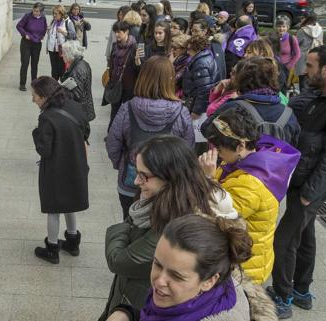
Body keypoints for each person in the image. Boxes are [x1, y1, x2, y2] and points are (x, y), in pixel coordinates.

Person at [100, 136, 234, 320]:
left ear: (170, 176)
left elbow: (120, 260)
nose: (136, 182)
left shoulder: (175, 226)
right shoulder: (158, 202)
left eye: (143, 175)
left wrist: (123, 226)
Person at [268, 45, 326, 318]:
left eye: (311, 66)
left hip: (310, 188)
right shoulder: (319, 96)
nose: (305, 71)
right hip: (302, 182)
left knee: (284, 241)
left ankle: (282, 297)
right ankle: (301, 290)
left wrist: (309, 193)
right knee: (304, 237)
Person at [105, 214, 279, 321]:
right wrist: (126, 313)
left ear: (210, 281)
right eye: (157, 264)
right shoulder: (210, 291)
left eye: (176, 276)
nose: (159, 281)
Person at [200, 107, 301, 284]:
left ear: (240, 145)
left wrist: (207, 178)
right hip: (248, 256)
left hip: (244, 269)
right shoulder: (249, 159)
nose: (217, 152)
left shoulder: (251, 182)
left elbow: (220, 213)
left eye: (220, 147)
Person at [106, 56, 194, 218]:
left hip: (132, 179)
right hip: (167, 184)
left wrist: (123, 164)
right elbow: (188, 150)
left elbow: (113, 142)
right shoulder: (181, 112)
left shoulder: (128, 108)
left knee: (129, 223)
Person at [31, 77, 89, 264]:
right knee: (70, 203)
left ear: (45, 97)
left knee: (53, 208)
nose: (33, 100)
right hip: (77, 164)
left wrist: (35, 133)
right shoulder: (74, 106)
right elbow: (85, 131)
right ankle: (73, 242)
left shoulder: (46, 117)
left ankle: (52, 248)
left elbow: (44, 149)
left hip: (56, 169)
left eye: (35, 96)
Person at [202, 56, 301, 146]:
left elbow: (207, 129)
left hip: (237, 165)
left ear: (242, 79)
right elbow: (294, 145)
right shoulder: (288, 114)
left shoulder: (233, 107)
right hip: (277, 165)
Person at [103, 21, 139, 130]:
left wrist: (137, 60)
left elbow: (138, 69)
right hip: (115, 84)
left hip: (129, 85)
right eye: (115, 32)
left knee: (128, 112)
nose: (117, 35)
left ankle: (125, 134)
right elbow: (112, 63)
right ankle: (111, 133)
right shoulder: (115, 45)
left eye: (119, 32)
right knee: (114, 110)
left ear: (126, 31)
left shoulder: (134, 47)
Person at [182, 34, 220, 121]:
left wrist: (196, 111)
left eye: (189, 49)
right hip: (194, 101)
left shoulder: (200, 63)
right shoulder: (206, 58)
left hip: (194, 103)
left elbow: (204, 90)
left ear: (197, 48)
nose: (187, 52)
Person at [244, 39, 290, 105]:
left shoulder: (278, 71)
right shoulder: (246, 69)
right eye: (245, 52)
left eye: (249, 52)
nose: (245, 55)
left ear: (261, 53)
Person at [60, 40, 95, 122]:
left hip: (79, 112)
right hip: (83, 109)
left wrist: (60, 91)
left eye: (64, 53)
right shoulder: (82, 63)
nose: (62, 55)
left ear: (70, 54)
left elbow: (77, 95)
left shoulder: (77, 70)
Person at [16, 2, 47, 91]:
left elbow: (44, 28)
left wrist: (42, 36)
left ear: (41, 12)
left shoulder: (43, 18)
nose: (35, 13)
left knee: (34, 64)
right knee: (25, 63)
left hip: (37, 43)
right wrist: (24, 34)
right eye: (34, 10)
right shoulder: (27, 16)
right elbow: (19, 26)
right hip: (26, 43)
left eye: (37, 11)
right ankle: (22, 84)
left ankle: (34, 83)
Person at [269, 20, 301, 93]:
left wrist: (290, 65)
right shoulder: (271, 38)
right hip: (273, 66)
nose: (281, 29)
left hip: (286, 67)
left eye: (284, 27)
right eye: (279, 26)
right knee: (272, 87)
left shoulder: (292, 38)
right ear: (276, 27)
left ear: (287, 27)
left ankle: (283, 103)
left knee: (283, 88)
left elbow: (297, 54)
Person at [46, 5, 76, 81]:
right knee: (54, 69)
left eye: (56, 14)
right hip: (52, 49)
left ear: (61, 14)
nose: (54, 15)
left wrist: (63, 32)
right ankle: (54, 85)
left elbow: (73, 35)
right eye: (53, 13)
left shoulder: (68, 22)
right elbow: (52, 35)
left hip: (62, 50)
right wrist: (48, 30)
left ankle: (62, 87)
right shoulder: (53, 21)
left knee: (62, 70)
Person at [295, 16, 323, 91]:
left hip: (303, 58)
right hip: (316, 57)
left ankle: (304, 100)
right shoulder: (320, 30)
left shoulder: (302, 30)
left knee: (303, 82)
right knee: (314, 81)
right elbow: (321, 43)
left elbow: (296, 44)